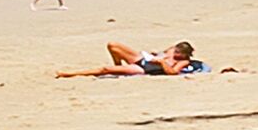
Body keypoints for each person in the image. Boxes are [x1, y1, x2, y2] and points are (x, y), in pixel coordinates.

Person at [60, 39, 206, 76]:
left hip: (146, 68)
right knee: (113, 45)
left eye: (179, 54)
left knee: (105, 69)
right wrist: (156, 54)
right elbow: (161, 53)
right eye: (176, 51)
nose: (175, 54)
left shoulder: (183, 61)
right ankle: (118, 66)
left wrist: (161, 62)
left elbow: (173, 73)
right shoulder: (171, 50)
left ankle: (69, 74)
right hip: (142, 59)